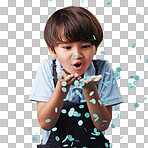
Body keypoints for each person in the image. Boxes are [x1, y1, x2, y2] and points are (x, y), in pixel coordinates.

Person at [29, 6, 123, 148]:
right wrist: (61, 89)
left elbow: (102, 125)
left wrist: (90, 90)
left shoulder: (103, 69)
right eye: (67, 47)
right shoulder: (48, 69)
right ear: (52, 50)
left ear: (95, 48)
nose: (77, 54)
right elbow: (45, 123)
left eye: (85, 46)